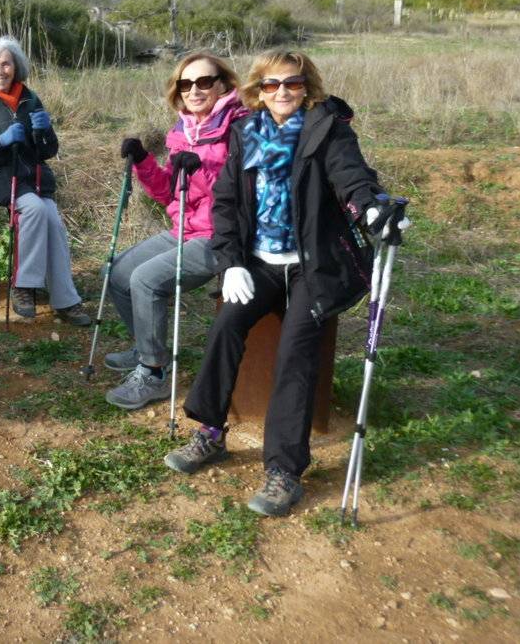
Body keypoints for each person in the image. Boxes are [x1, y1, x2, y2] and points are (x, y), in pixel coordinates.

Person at [163, 49, 397, 517]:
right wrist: (231, 263)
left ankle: (284, 469)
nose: (282, 92)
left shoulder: (328, 130)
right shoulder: (245, 132)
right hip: (261, 264)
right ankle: (210, 431)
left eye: (291, 83)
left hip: (313, 266)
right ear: (257, 91)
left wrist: (371, 207)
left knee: (295, 352)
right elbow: (226, 204)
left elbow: (352, 177)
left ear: (306, 87)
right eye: (271, 85)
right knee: (227, 324)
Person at [103, 51, 247, 410]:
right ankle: (145, 346)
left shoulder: (240, 127)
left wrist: (200, 170)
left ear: (222, 84)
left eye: (204, 82)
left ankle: (152, 373)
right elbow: (169, 192)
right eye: (186, 83)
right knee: (118, 274)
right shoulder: (184, 130)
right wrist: (142, 161)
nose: (194, 90)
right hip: (185, 228)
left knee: (146, 280)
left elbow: (242, 192)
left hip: (222, 236)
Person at [0, 36, 91, 325]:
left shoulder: (30, 99)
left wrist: (44, 132)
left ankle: (66, 300)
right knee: (35, 209)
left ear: (16, 67)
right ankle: (24, 285)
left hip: (31, 178)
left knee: (52, 217)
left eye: (5, 64)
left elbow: (47, 151)